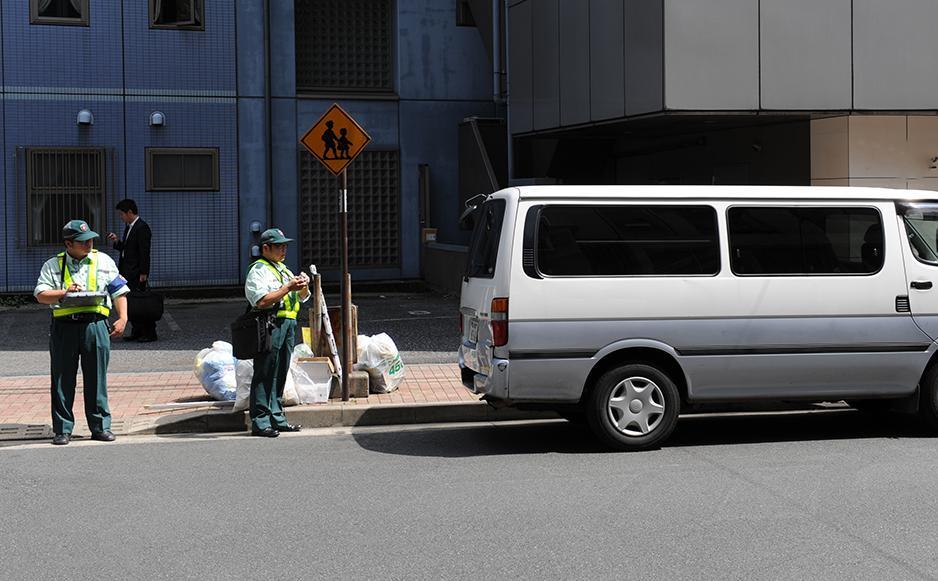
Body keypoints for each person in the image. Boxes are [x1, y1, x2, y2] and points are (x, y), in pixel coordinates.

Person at [34, 220, 129, 446]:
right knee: (61, 380)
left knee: (97, 378)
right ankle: (63, 430)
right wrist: (63, 292)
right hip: (64, 327)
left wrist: (123, 318)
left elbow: (119, 291)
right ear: (68, 243)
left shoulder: (103, 261)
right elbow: (40, 295)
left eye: (91, 240)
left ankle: (100, 427)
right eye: (83, 241)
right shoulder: (52, 265)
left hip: (95, 326)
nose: (89, 244)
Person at [244, 228, 310, 437]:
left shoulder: (283, 269)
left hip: (288, 324)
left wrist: (303, 287)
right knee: (265, 372)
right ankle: (261, 421)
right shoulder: (259, 270)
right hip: (269, 324)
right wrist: (288, 287)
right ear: (266, 248)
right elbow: (261, 300)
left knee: (280, 372)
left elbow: (301, 297)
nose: (284, 250)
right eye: (279, 246)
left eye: (285, 246)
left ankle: (277, 417)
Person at [106, 199, 155, 342]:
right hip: (128, 271)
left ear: (129, 212)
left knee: (141, 303)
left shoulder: (142, 227)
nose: (121, 217)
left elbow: (144, 252)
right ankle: (137, 331)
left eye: (122, 214)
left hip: (137, 272)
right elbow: (127, 249)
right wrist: (116, 241)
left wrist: (144, 273)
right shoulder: (130, 227)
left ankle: (149, 332)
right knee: (133, 303)